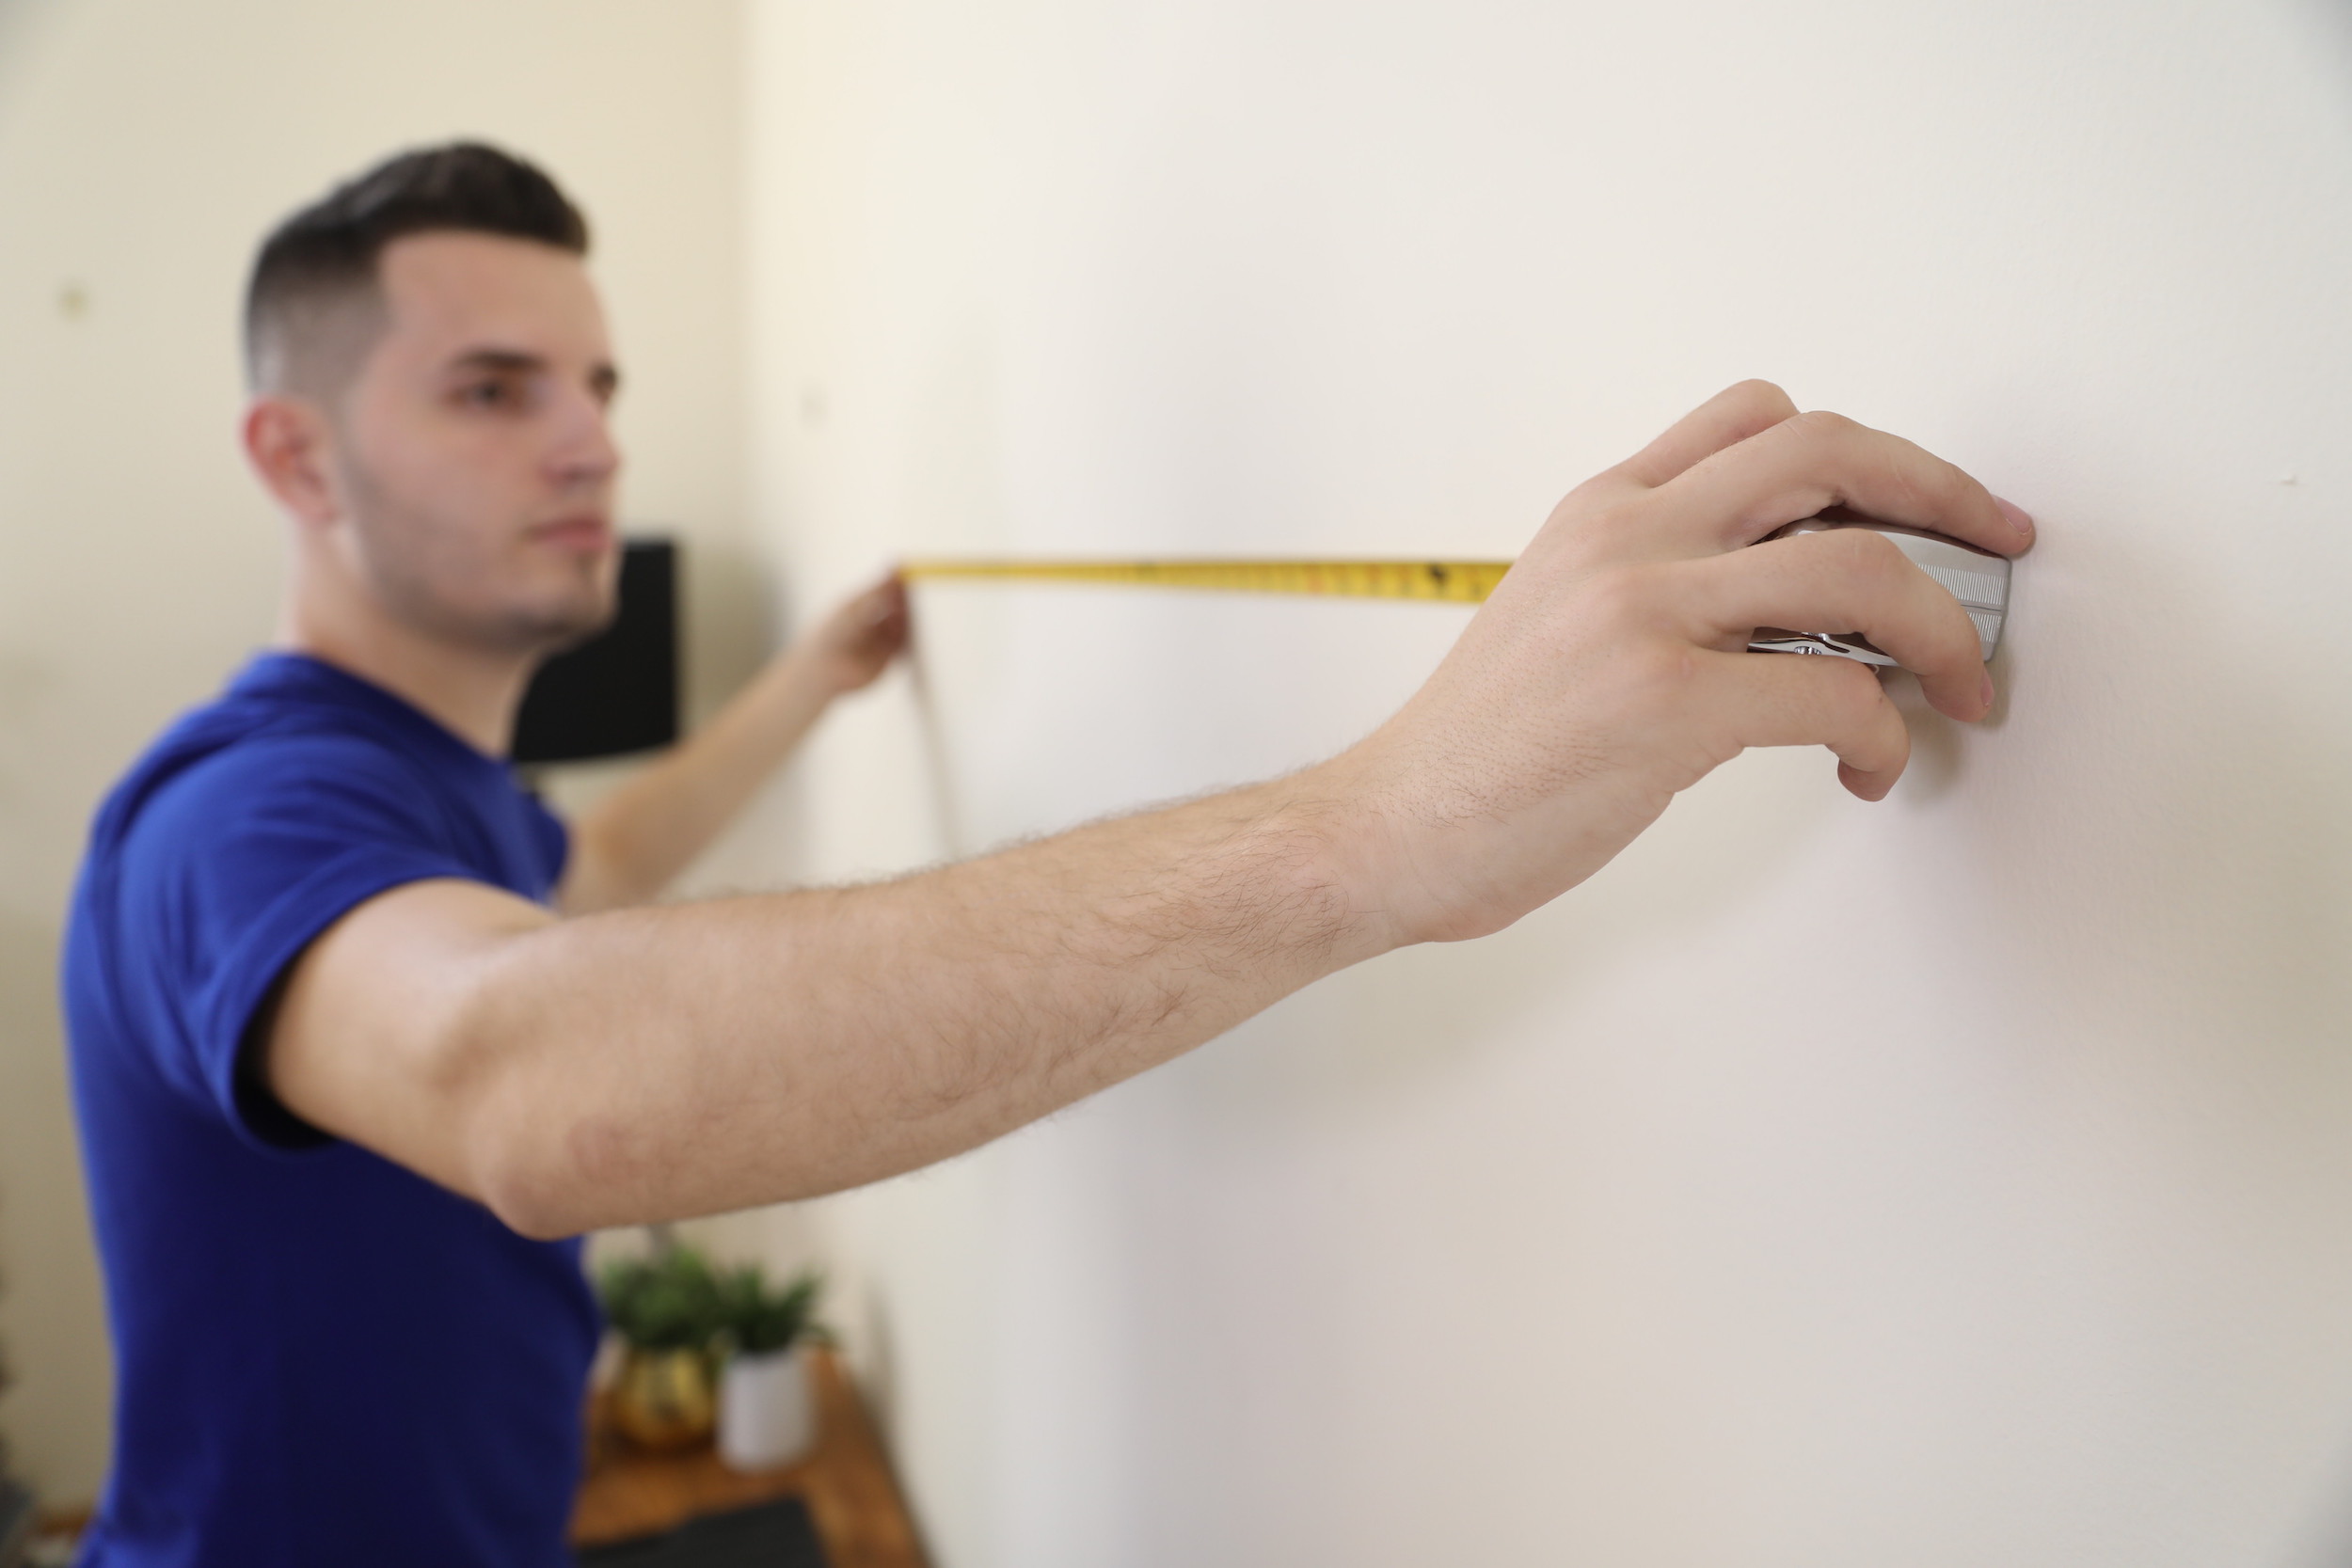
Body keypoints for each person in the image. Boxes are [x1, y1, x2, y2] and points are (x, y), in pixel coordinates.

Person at [61, 142, 2032, 1566]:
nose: (587, 443)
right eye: (493, 391)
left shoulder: (428, 796)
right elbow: (537, 1083)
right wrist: (1387, 818)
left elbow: (587, 868)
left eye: (596, 385)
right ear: (296, 462)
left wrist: (816, 685)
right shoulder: (238, 817)